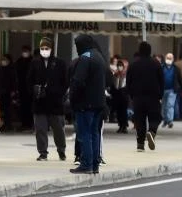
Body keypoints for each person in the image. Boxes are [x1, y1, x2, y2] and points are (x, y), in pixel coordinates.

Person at [68, 34, 106, 174]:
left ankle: (86, 164)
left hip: (85, 104)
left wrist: (72, 98)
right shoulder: (99, 56)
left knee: (85, 134)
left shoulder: (85, 59)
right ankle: (95, 165)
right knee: (94, 134)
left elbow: (78, 81)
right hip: (98, 103)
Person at [29, 38, 68, 161]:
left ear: (51, 49)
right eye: (42, 48)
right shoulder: (35, 63)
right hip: (39, 102)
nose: (44, 50)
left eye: (47, 48)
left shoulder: (60, 63)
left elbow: (65, 81)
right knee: (40, 129)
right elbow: (28, 80)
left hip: (55, 102)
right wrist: (34, 91)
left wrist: (58, 93)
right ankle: (43, 152)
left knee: (58, 129)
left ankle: (61, 150)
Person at [127, 42, 163, 153]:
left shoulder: (133, 64)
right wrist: (160, 95)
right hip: (153, 96)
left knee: (139, 120)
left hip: (138, 97)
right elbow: (161, 80)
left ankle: (140, 144)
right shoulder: (156, 63)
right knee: (155, 117)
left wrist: (131, 95)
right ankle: (151, 131)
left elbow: (128, 81)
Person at [0, 54, 17, 134]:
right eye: (2, 59)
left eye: (5, 59)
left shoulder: (12, 69)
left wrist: (13, 91)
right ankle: (1, 124)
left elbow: (14, 81)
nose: (3, 61)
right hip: (0, 91)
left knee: (7, 109)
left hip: (8, 92)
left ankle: (8, 124)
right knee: (0, 108)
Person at [160, 52, 182, 129]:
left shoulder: (176, 68)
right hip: (163, 89)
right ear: (165, 59)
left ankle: (170, 121)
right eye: (168, 58)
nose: (169, 59)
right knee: (164, 106)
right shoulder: (161, 67)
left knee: (170, 105)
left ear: (173, 59)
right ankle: (165, 119)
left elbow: (180, 79)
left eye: (170, 58)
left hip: (172, 89)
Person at [14, 45, 34, 131]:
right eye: (23, 51)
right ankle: (24, 123)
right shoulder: (19, 61)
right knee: (22, 106)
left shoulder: (33, 61)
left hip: (30, 88)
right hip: (22, 87)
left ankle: (30, 123)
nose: (24, 53)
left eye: (26, 51)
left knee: (30, 106)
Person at [110, 57, 129, 133]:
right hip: (117, 96)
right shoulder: (115, 75)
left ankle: (124, 126)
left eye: (121, 65)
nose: (120, 67)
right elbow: (113, 85)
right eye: (118, 65)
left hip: (124, 96)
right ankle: (120, 125)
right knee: (118, 112)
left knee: (123, 111)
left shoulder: (127, 75)